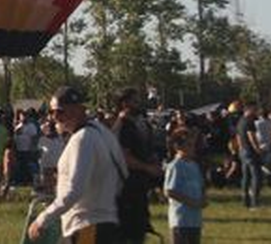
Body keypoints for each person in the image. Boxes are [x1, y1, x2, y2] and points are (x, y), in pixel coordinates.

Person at [28, 86, 127, 243]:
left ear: (78, 110)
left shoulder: (82, 139)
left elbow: (74, 191)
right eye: (52, 112)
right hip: (109, 224)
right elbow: (122, 174)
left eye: (59, 111)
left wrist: (42, 219)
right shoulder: (103, 133)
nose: (54, 117)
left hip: (88, 225)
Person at [113, 87, 163, 244]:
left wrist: (154, 162)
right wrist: (148, 168)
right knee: (128, 233)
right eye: (134, 101)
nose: (138, 103)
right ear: (124, 103)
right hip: (126, 186)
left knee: (139, 230)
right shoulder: (123, 125)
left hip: (141, 186)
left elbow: (148, 149)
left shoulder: (142, 123)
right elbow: (124, 157)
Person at [164, 128, 206, 244]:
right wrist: (190, 202)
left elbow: (201, 186)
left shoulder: (194, 165)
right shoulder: (175, 166)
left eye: (193, 145)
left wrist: (203, 198)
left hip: (195, 220)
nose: (192, 148)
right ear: (178, 147)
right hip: (181, 219)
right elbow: (169, 191)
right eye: (188, 145)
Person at [237, 103, 263, 208]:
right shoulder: (249, 121)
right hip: (251, 152)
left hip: (243, 151)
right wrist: (258, 149)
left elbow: (238, 137)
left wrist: (240, 148)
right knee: (256, 176)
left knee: (246, 177)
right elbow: (251, 136)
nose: (256, 112)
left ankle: (245, 201)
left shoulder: (240, 121)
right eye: (255, 110)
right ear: (250, 110)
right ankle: (254, 201)